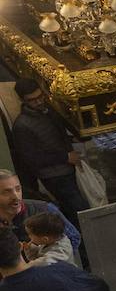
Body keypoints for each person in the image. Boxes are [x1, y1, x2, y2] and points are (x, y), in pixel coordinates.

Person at [9, 76, 88, 232]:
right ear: (23, 100)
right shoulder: (22, 126)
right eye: (33, 100)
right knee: (79, 212)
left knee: (78, 208)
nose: (39, 102)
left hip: (67, 168)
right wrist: (65, 157)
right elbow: (32, 159)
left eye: (40, 97)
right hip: (54, 176)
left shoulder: (47, 111)